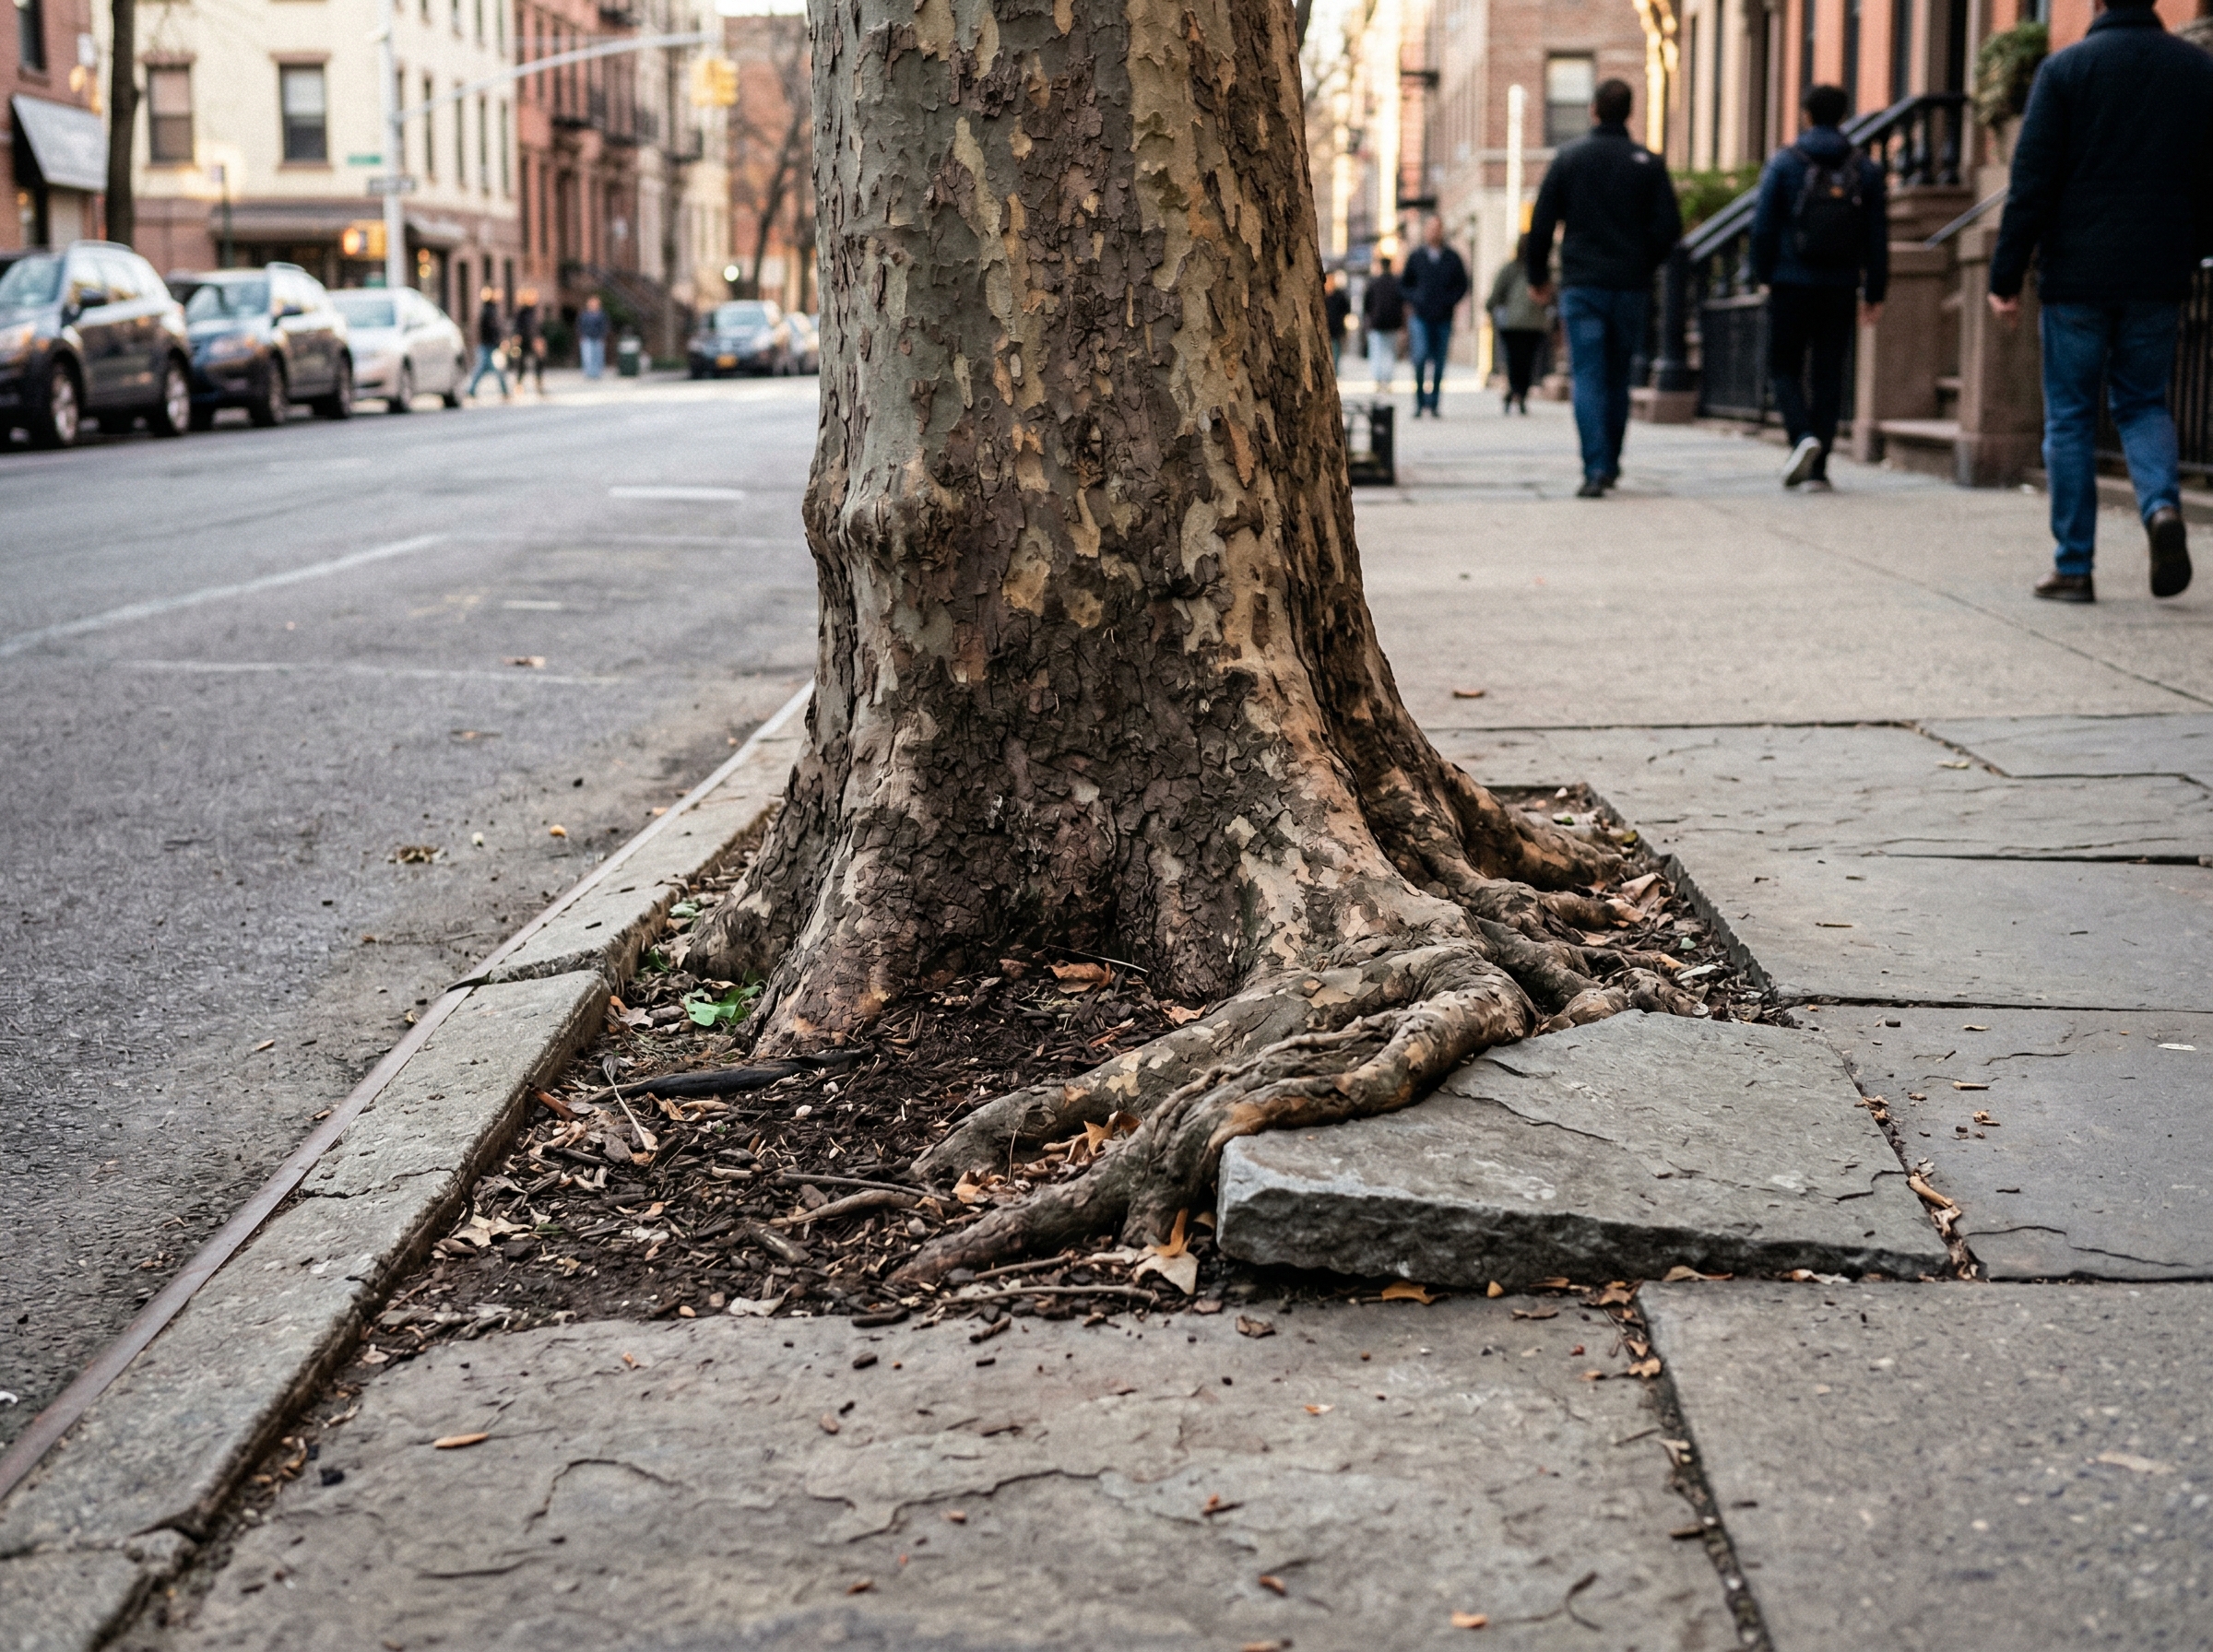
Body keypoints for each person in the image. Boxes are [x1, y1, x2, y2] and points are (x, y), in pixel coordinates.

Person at [1991, 0, 2212, 602]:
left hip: (2077, 274)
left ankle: (2074, 566)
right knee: (2143, 402)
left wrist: (2005, 276)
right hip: (2158, 269)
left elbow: (2031, 181)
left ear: (2098, 3)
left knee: (2069, 416)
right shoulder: (2195, 70)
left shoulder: (2066, 71)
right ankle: (2162, 507)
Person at [1525, 77, 1683, 497]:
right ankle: (1609, 462)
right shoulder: (1647, 163)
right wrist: (1642, 262)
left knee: (1588, 376)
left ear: (1594, 109)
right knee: (1618, 377)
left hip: (1582, 286)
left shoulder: (1569, 158)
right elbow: (1669, 229)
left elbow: (1540, 225)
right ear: (1629, 112)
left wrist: (1538, 277)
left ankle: (1595, 467)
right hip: (1630, 287)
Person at [1750, 83, 1888, 493]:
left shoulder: (1785, 163)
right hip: (1841, 286)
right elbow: (1877, 235)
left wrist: (1763, 274)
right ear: (1843, 116)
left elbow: (1763, 227)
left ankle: (1800, 436)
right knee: (1830, 374)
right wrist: (1875, 291)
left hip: (1791, 283)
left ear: (1806, 115)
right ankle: (1819, 469)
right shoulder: (1864, 168)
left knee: (1783, 367)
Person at [1401, 216, 1471, 417]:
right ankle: (1420, 402)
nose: (1434, 232)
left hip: (1443, 317)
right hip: (1420, 317)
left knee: (1439, 362)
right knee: (1420, 357)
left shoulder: (1452, 257)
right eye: (1430, 228)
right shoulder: (1416, 257)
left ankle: (1434, 403)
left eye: (1437, 228)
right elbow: (1404, 285)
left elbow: (1463, 284)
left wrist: (1449, 300)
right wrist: (1416, 298)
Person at [1487, 236, 1550, 414]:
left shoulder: (1514, 269)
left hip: (1516, 323)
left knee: (1515, 360)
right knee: (1526, 361)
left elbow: (1497, 292)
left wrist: (1490, 306)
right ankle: (1519, 392)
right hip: (1529, 323)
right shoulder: (1527, 269)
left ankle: (1516, 391)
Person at [1362, 255, 1405, 395]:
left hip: (1376, 323)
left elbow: (1366, 304)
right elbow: (1401, 304)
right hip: (1392, 323)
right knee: (1389, 353)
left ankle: (1379, 380)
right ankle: (1387, 380)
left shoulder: (1374, 282)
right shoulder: (1397, 282)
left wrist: (1368, 318)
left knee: (1377, 353)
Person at [466, 287, 511, 400]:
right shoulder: (489, 311)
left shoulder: (490, 310)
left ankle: (471, 390)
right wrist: (500, 341)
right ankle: (471, 390)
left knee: (487, 369)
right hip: (489, 345)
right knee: (491, 369)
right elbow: (492, 330)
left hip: (489, 345)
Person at [512, 287, 546, 395]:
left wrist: (539, 338)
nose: (534, 298)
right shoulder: (522, 311)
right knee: (521, 364)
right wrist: (517, 338)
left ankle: (539, 385)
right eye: (532, 296)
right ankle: (518, 385)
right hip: (524, 341)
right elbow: (517, 327)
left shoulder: (534, 311)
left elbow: (537, 327)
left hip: (534, 341)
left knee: (539, 363)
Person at [1324, 270, 1353, 378]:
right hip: (1324, 329)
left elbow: (1346, 309)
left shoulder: (1339, 295)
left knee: (1335, 350)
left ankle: (1334, 371)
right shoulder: (1321, 294)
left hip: (1336, 328)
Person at [578, 295, 609, 380]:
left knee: (598, 356)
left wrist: (603, 337)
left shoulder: (602, 315)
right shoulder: (584, 315)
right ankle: (589, 373)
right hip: (587, 337)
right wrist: (581, 336)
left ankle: (597, 373)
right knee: (587, 356)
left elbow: (605, 326)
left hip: (598, 338)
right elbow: (580, 326)